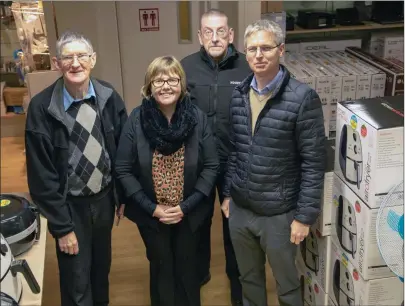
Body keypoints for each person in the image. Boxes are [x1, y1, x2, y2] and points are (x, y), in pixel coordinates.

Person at [221, 19, 326, 306]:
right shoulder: (239, 95)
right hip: (241, 210)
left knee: (287, 285)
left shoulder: (303, 98)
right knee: (248, 279)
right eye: (252, 48)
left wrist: (304, 217)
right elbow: (235, 149)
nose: (258, 55)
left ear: (281, 50)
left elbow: (314, 162)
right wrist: (228, 192)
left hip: (279, 215)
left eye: (265, 48)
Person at [25, 30, 128, 306]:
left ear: (93, 59)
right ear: (57, 64)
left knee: (100, 271)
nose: (75, 63)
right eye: (67, 57)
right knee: (76, 279)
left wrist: (121, 195)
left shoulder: (108, 96)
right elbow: (41, 177)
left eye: (82, 56)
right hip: (70, 207)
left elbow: (122, 152)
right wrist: (62, 227)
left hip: (104, 200)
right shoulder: (42, 108)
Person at [115, 55, 219, 306]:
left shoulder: (197, 117)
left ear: (182, 85)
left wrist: (185, 206)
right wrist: (153, 209)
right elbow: (123, 168)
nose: (166, 86)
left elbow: (212, 165)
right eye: (158, 80)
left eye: (172, 79)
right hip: (151, 212)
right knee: (161, 265)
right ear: (149, 86)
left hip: (190, 211)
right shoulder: (137, 119)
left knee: (187, 266)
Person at [180, 9, 251, 305]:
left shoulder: (247, 67)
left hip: (235, 162)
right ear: (199, 36)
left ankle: (238, 283)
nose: (215, 37)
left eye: (221, 31)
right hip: (197, 164)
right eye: (208, 31)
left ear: (231, 35)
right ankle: (198, 275)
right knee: (197, 222)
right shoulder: (185, 67)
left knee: (234, 225)